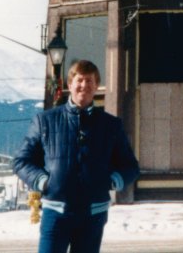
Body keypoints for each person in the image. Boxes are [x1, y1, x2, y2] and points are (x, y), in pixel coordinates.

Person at [13, 60, 140, 253]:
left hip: (93, 214)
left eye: (90, 81)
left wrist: (113, 181)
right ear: (69, 84)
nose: (84, 86)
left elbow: (130, 166)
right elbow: (21, 161)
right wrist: (43, 181)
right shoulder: (45, 121)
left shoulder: (110, 125)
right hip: (56, 212)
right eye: (79, 80)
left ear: (97, 86)